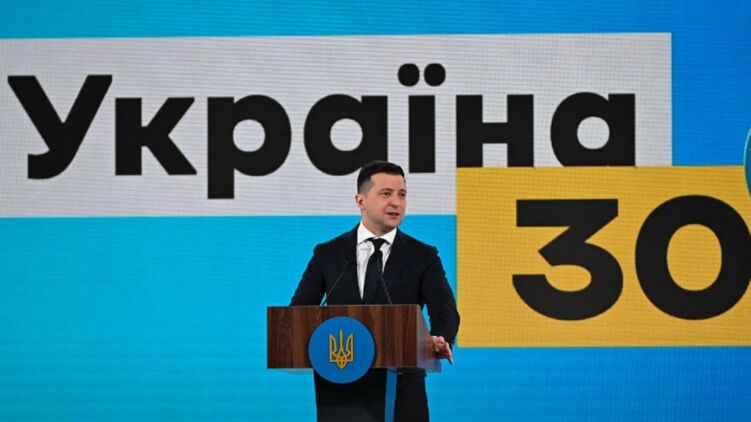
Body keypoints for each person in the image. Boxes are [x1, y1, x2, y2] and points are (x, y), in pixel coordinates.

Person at [290, 160, 460, 421]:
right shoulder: (329, 254)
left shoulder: (423, 256)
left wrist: (440, 339)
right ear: (361, 201)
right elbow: (297, 315)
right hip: (340, 388)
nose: (396, 203)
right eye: (386, 193)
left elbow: (445, 310)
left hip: (402, 391)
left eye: (402, 194)